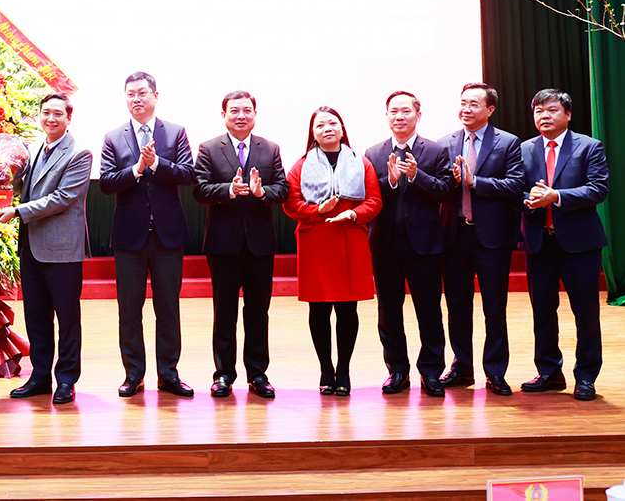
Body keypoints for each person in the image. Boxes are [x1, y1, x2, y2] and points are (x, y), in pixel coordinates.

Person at [99, 71, 195, 398]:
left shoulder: (176, 133)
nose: (136, 99)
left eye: (142, 93)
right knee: (129, 309)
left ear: (156, 95)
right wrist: (137, 169)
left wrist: (156, 165)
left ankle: (169, 373)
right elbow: (108, 182)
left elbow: (186, 174)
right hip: (129, 237)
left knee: (168, 307)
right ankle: (133, 374)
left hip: (167, 236)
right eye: (130, 94)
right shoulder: (114, 137)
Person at [0, 93, 93, 405]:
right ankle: (39, 377)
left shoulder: (80, 152)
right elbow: (20, 186)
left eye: (57, 114)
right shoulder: (34, 147)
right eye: (46, 113)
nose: (51, 119)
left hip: (62, 249)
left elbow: (63, 198)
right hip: (32, 246)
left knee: (67, 318)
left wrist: (18, 212)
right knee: (36, 317)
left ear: (68, 118)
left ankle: (66, 379)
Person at [192, 90, 287, 400]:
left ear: (255, 114)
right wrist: (228, 190)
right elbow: (200, 189)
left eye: (247, 110)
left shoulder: (270, 149)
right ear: (224, 115)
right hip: (223, 245)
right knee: (225, 312)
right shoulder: (208, 149)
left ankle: (258, 374)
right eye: (235, 111)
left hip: (260, 245)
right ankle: (223, 374)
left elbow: (282, 188)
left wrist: (262, 193)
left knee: (259, 311)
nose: (241, 115)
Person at [517, 89, 609, 401]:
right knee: (543, 311)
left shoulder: (589, 146)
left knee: (585, 313)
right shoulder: (525, 149)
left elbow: (598, 189)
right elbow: (516, 189)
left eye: (552, 110)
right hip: (540, 243)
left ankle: (586, 377)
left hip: (580, 244)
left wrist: (556, 196)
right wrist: (528, 200)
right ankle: (548, 372)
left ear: (567, 114)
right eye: (539, 111)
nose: (544, 116)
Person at [282, 106, 381, 397]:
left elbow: (374, 201)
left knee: (348, 308)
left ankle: (345, 370)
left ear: (342, 128)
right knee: (319, 308)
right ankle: (326, 369)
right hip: (316, 241)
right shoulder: (300, 165)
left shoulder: (360, 162)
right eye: (321, 125)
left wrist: (352, 215)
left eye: (332, 123)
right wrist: (316, 210)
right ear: (312, 132)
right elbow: (290, 203)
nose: (327, 128)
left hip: (350, 238)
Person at [438, 82, 524, 395]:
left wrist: (476, 182)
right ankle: (461, 367)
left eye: (474, 104)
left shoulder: (508, 143)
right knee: (457, 305)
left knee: (494, 306)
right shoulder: (445, 143)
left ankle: (496, 371)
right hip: (455, 235)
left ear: (489, 109)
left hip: (491, 237)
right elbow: (439, 188)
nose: (466, 109)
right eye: (462, 103)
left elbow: (515, 185)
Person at [365, 91, 452, 397]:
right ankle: (397, 370)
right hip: (385, 245)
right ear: (386, 116)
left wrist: (417, 176)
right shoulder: (373, 153)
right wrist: (388, 182)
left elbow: (444, 190)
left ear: (418, 114)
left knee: (428, 310)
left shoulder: (437, 150)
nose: (399, 117)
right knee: (389, 311)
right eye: (393, 112)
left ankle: (431, 372)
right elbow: (368, 197)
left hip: (425, 245)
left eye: (405, 111)